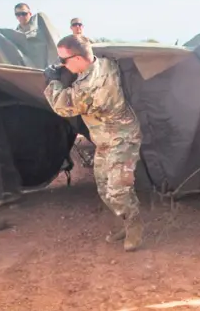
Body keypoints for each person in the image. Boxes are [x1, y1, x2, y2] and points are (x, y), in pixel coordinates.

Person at [42, 35, 144, 251]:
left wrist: (52, 81)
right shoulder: (106, 63)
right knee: (103, 187)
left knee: (118, 190)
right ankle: (124, 222)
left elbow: (63, 106)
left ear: (78, 59)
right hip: (105, 140)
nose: (61, 65)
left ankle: (134, 226)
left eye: (64, 61)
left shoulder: (88, 85)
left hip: (122, 138)